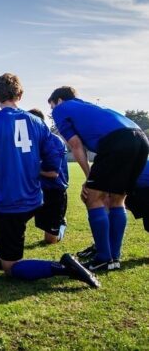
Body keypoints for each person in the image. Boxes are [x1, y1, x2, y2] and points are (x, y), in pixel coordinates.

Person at [0, 73, 99, 288]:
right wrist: (35, 166)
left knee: (11, 268)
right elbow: (55, 155)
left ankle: (63, 267)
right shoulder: (37, 123)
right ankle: (3, 253)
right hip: (35, 197)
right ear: (20, 95)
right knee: (1, 214)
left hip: (8, 202)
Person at [48, 87, 149, 271]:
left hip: (117, 141)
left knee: (92, 197)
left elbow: (76, 145)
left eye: (52, 106)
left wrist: (89, 177)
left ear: (59, 101)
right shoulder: (88, 107)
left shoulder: (61, 108)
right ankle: (113, 258)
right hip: (140, 138)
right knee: (117, 199)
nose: (52, 110)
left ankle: (103, 257)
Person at [28, 108, 68, 244]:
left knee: (50, 240)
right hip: (35, 189)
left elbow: (53, 173)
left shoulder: (54, 142)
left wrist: (30, 170)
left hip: (54, 190)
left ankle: (61, 224)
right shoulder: (28, 141)